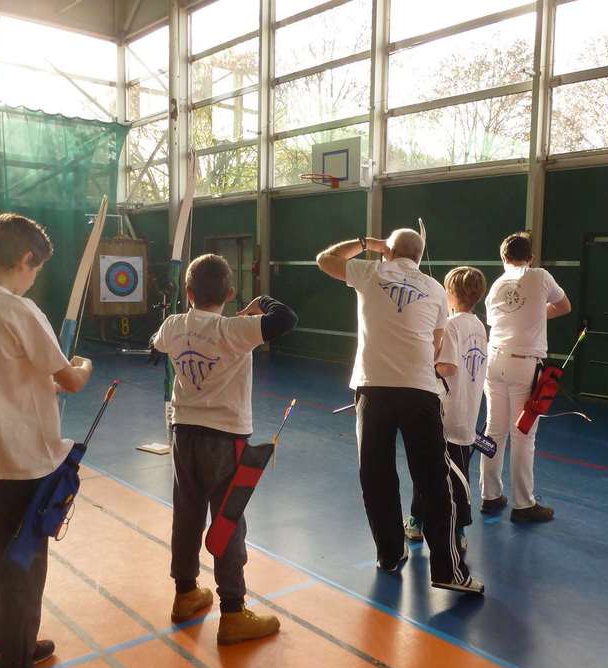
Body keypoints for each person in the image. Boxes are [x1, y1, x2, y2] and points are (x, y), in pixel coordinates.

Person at [0, 213, 93, 668]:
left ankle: (3, 651)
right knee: (24, 569)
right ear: (25, 259)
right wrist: (84, 364)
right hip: (24, 461)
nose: (34, 278)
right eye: (36, 268)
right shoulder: (19, 310)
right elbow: (70, 380)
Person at [316, 229, 484, 594]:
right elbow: (436, 343)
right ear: (419, 256)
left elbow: (325, 259)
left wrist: (366, 244)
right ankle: (447, 571)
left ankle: (390, 554)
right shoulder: (436, 289)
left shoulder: (371, 272)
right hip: (419, 391)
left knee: (375, 476)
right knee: (433, 481)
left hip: (373, 390)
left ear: (388, 252)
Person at [151, 254, 297, 642]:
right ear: (230, 293)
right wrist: (260, 303)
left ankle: (185, 593)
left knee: (187, 513)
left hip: (183, 434)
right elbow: (286, 318)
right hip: (225, 438)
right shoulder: (235, 330)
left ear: (188, 292)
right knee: (227, 520)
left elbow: (156, 344)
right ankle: (232, 612)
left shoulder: (175, 324)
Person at [479, 232, 571, 522]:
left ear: (503, 258)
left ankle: (490, 496)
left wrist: (530, 312)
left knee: (494, 430)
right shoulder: (540, 276)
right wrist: (537, 312)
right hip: (523, 363)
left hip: (494, 360)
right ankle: (523, 504)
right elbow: (564, 306)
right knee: (523, 434)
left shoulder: (496, 285)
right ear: (530, 258)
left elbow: (498, 320)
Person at [405, 266, 489, 552]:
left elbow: (448, 367)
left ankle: (420, 522)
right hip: (467, 412)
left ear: (451, 294)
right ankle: (454, 528)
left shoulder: (452, 325)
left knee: (429, 467)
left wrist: (424, 364)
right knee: (458, 472)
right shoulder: (479, 326)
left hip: (446, 412)